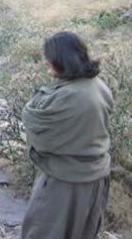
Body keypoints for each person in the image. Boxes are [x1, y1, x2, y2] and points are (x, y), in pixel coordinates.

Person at [21, 31, 114, 239]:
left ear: (62, 59)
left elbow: (35, 125)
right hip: (95, 178)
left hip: (64, 183)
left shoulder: (67, 97)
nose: (45, 63)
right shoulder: (99, 86)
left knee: (44, 232)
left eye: (49, 58)